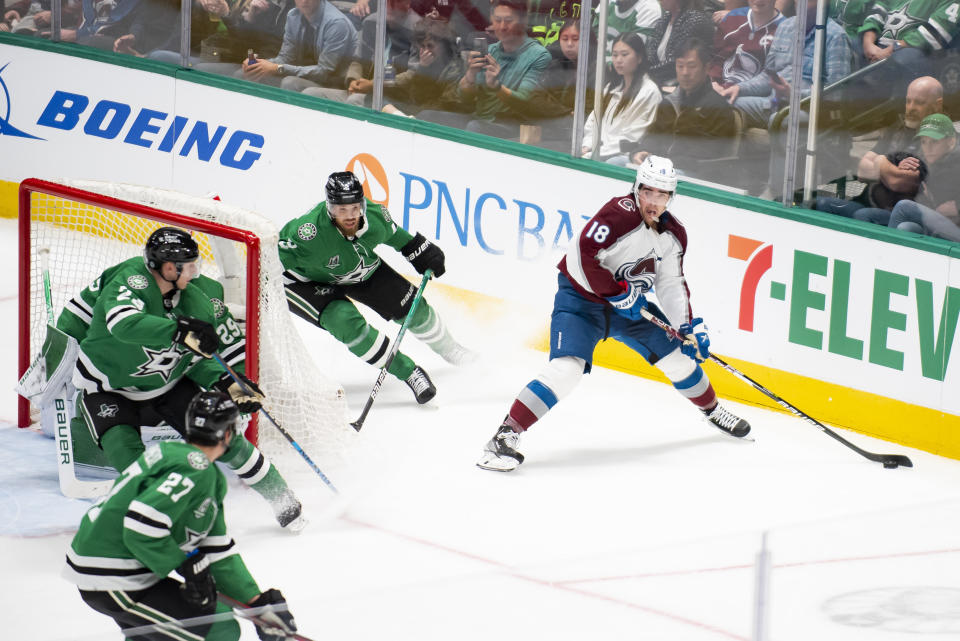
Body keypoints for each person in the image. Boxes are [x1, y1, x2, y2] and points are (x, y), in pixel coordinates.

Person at [477, 156, 751, 472]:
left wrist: (686, 326)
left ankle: (713, 411)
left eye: (662, 195)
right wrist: (616, 294)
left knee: (677, 357)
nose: (654, 201)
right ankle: (506, 434)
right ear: (637, 189)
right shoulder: (618, 213)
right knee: (567, 370)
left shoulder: (673, 235)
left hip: (629, 308)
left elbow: (671, 283)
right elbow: (582, 254)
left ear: (670, 197)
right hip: (581, 302)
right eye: (648, 192)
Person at [65, 227, 304, 529]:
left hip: (168, 388)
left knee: (226, 438)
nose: (196, 272)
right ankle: (161, 526)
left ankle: (282, 498)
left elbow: (196, 361)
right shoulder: (131, 279)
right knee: (132, 463)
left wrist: (227, 383)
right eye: (189, 265)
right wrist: (177, 331)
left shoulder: (197, 303)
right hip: (107, 389)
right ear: (167, 268)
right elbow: (122, 323)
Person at [63, 389, 299, 641]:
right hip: (114, 573)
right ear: (228, 434)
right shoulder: (195, 469)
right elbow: (141, 524)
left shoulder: (176, 455)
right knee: (218, 627)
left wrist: (257, 602)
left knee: (159, 633)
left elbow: (215, 548)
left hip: (114, 566)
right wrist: (184, 564)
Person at [278, 171, 475, 404]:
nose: (350, 216)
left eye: (354, 208)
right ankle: (408, 372)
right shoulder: (307, 234)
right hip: (306, 284)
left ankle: (450, 349)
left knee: (413, 308)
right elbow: (270, 260)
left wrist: (423, 253)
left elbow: (405, 241)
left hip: (356, 271)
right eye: (342, 210)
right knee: (346, 322)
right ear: (330, 208)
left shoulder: (374, 217)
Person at [416, 0, 552, 138]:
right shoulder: (490, 50)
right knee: (425, 116)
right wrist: (469, 78)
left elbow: (524, 103)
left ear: (523, 21)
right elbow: (466, 100)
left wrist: (497, 87)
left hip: (512, 124)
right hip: (479, 119)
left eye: (509, 20)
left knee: (474, 127)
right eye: (498, 20)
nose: (502, 26)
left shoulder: (539, 55)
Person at [815, 75, 942, 218]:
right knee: (822, 203)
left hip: (903, 215)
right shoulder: (896, 129)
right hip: (872, 202)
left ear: (937, 105)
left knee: (864, 215)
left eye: (919, 103)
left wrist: (880, 161)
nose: (911, 108)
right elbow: (863, 170)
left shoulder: (938, 137)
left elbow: (900, 182)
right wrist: (888, 167)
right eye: (908, 101)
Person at [626, 38, 737, 177]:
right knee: (617, 162)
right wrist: (642, 151)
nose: (685, 72)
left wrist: (665, 162)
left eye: (691, 66)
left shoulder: (717, 107)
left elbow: (711, 152)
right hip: (660, 166)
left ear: (707, 68)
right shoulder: (668, 102)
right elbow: (653, 136)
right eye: (680, 66)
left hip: (691, 173)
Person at [199, 0, 357, 91]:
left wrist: (276, 67)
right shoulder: (293, 15)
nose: (305, 1)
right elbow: (284, 56)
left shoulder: (336, 23)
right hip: (295, 70)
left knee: (289, 83)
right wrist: (258, 63)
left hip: (333, 83)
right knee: (242, 74)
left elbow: (324, 72)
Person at [304, 0, 421, 106]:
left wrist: (373, 85)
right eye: (386, 1)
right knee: (310, 93)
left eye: (396, 1)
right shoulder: (372, 22)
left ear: (408, 3)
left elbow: (412, 75)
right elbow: (358, 60)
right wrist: (353, 81)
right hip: (363, 91)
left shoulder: (417, 30)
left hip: (395, 100)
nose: (389, 6)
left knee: (355, 101)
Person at [581, 31, 662, 164]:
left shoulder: (649, 91)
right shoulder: (610, 88)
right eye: (614, 55)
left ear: (640, 57)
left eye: (624, 55)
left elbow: (632, 139)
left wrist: (596, 151)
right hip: (596, 151)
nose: (618, 60)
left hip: (623, 156)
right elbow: (592, 122)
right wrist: (587, 146)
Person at [884, 113, 960, 241]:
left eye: (935, 142)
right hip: (934, 221)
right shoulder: (924, 161)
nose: (928, 148)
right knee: (903, 227)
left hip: (955, 229)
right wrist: (900, 166)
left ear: (951, 141)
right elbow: (893, 157)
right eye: (924, 142)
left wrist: (958, 206)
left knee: (904, 207)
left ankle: (883, 257)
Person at [380, 17, 467, 117]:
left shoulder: (455, 65)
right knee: (380, 100)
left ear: (444, 45)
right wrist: (423, 68)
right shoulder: (425, 61)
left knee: (425, 114)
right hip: (422, 108)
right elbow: (417, 97)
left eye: (430, 46)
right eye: (422, 46)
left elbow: (447, 104)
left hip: (444, 113)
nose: (426, 51)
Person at [708, 0, 784, 95]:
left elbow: (770, 78)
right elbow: (715, 58)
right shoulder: (733, 17)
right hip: (717, 90)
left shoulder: (784, 29)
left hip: (750, 96)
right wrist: (713, 82)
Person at [643, 0, 714, 88]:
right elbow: (651, 52)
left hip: (684, 82)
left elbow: (676, 62)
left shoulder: (695, 20)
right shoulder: (666, 18)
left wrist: (646, 73)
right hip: (659, 79)